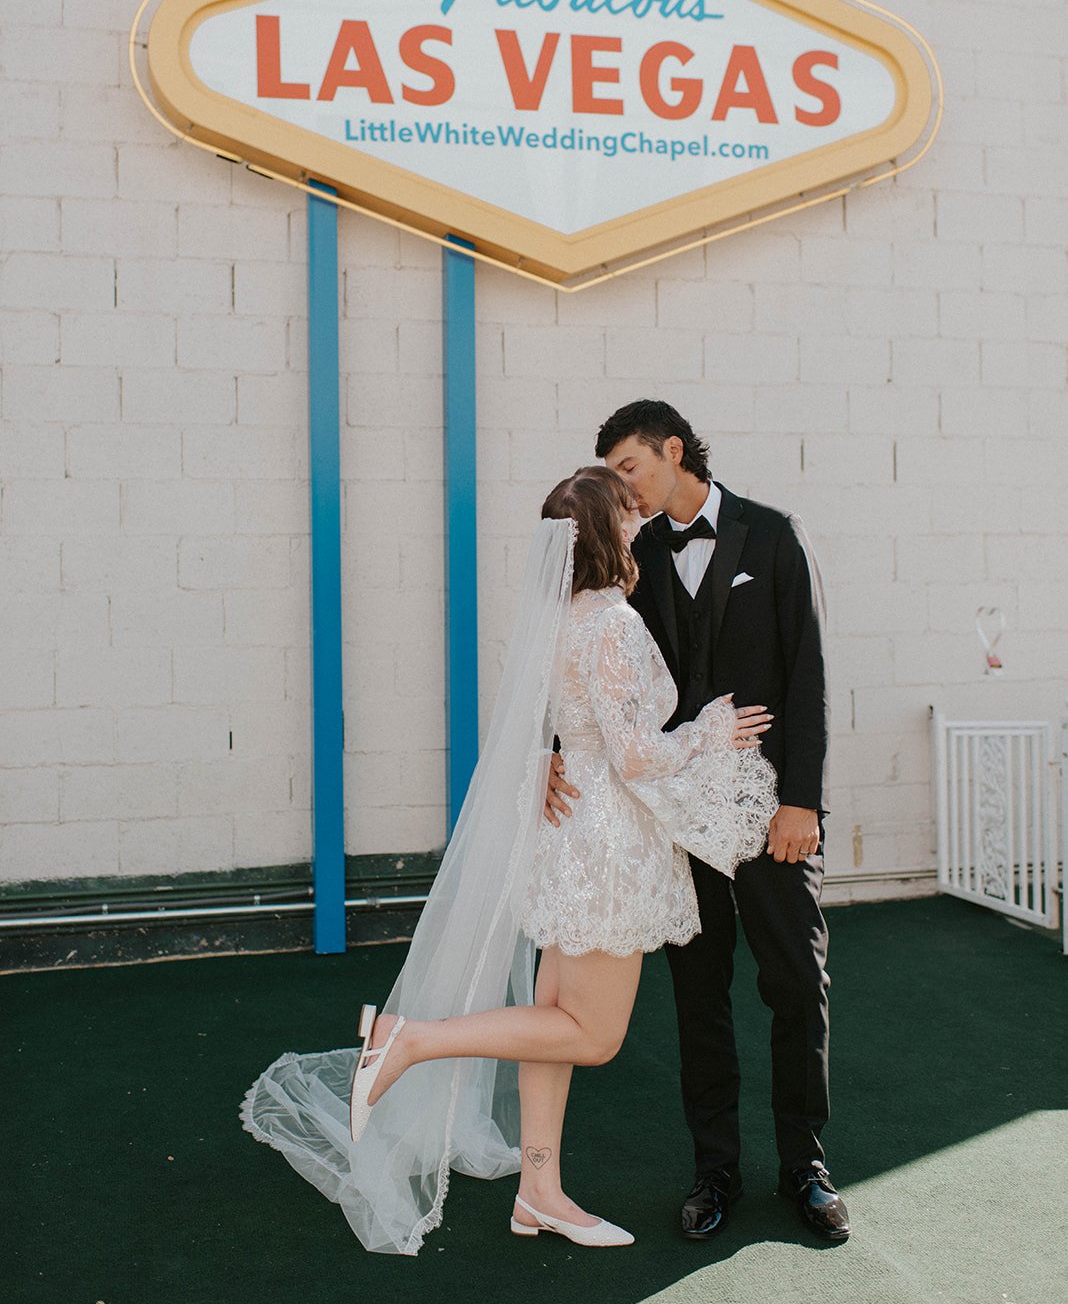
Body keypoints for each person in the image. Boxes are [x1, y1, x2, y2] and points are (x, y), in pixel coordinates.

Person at [241, 467, 777, 1255]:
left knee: (550, 1024)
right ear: (605, 532)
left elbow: (564, 736)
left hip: (568, 835)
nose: (639, 529)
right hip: (608, 845)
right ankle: (411, 1038)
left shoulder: (557, 622)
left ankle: (540, 1192)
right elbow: (635, 755)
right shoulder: (613, 625)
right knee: (592, 1036)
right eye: (629, 519)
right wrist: (712, 729)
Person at [547, 402, 849, 1244]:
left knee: (795, 985)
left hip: (769, 814)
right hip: (673, 818)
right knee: (698, 997)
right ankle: (714, 1171)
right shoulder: (628, 556)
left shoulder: (776, 535)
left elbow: (809, 676)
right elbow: (570, 659)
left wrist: (804, 803)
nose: (622, 486)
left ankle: (805, 1165)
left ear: (673, 451)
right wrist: (548, 751)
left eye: (631, 467)